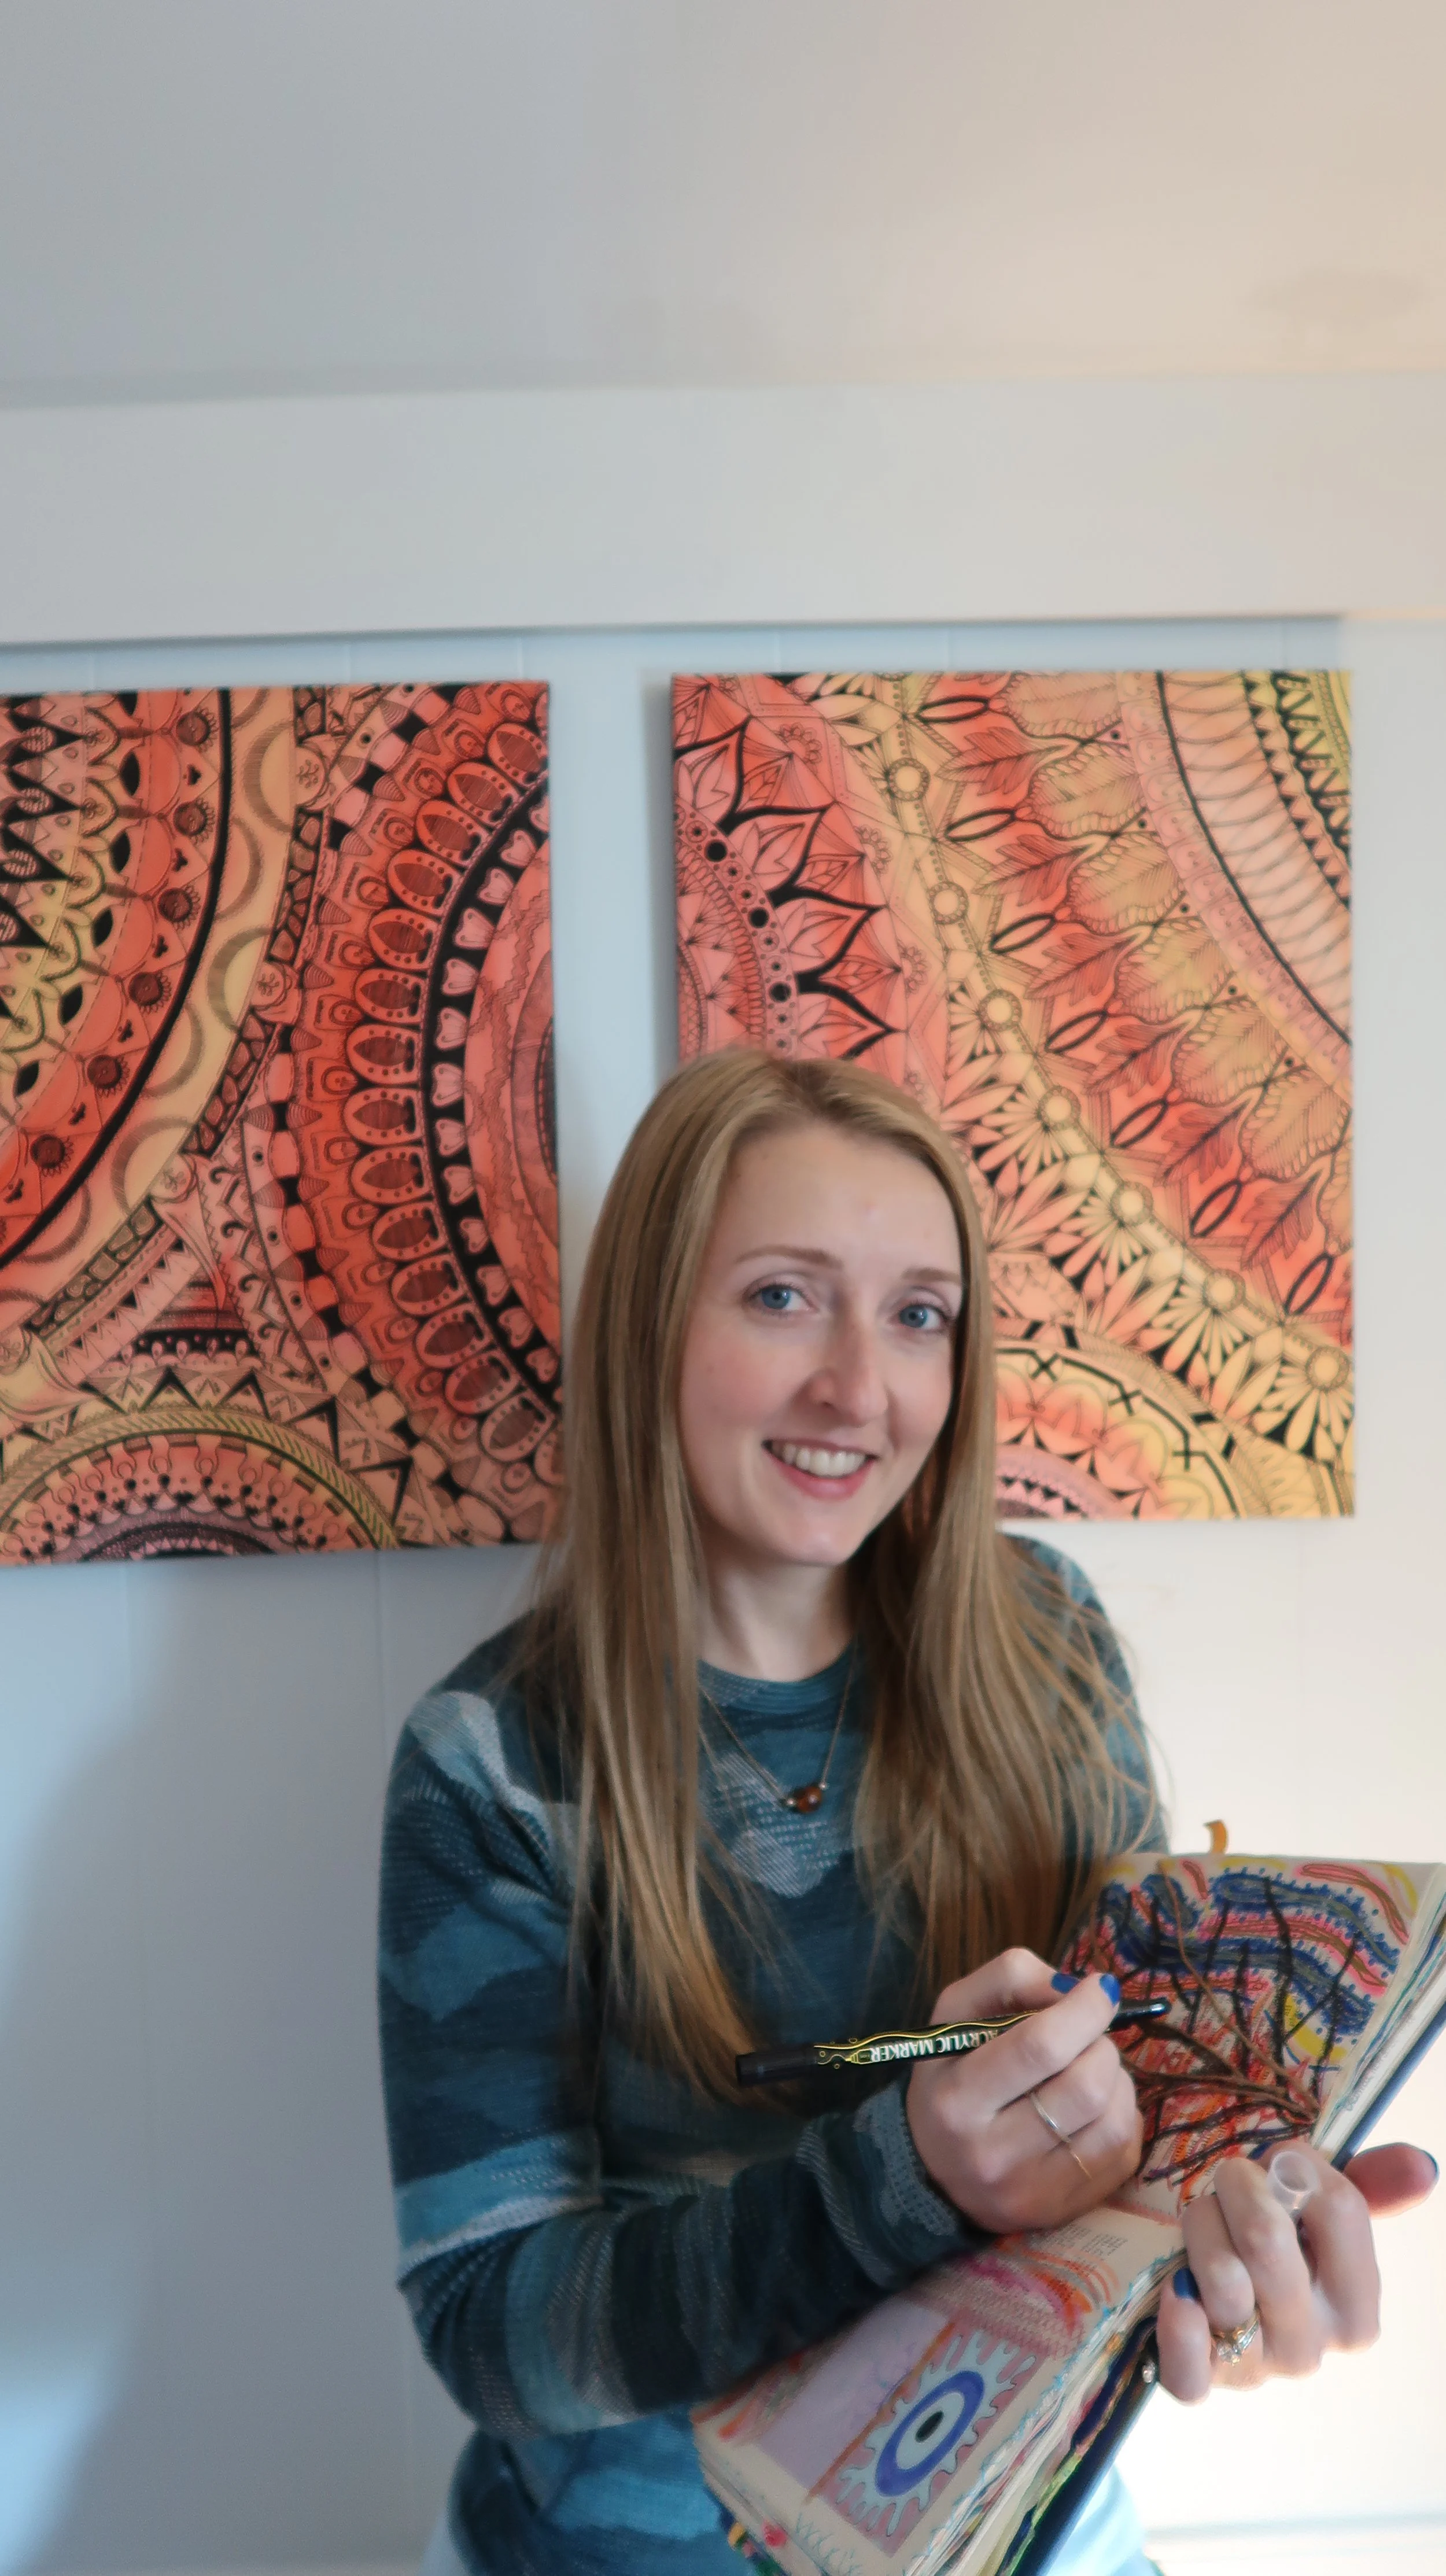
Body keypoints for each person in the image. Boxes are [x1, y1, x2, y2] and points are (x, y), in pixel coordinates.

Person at [378, 1050, 1436, 2576]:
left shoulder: (1049, 1646)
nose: (859, 1389)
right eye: (782, 1295)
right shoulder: (491, 1761)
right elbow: (492, 2331)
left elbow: (1133, 2146)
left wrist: (1224, 2242)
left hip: (1021, 2514)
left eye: (917, 1314)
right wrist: (898, 2181)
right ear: (647, 1323)